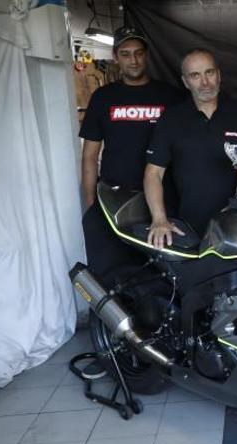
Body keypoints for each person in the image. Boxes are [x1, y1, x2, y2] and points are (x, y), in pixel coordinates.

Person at [79, 26, 184, 275]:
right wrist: (93, 204)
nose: (133, 60)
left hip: (162, 201)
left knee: (163, 273)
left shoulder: (172, 97)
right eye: (125, 54)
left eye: (138, 53)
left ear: (146, 55)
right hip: (115, 199)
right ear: (116, 57)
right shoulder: (104, 98)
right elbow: (90, 156)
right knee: (111, 271)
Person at [143, 49, 237, 249]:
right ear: (185, 82)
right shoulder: (171, 119)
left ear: (219, 75)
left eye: (209, 72)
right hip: (189, 228)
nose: (205, 82)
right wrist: (159, 219)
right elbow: (153, 173)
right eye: (195, 75)